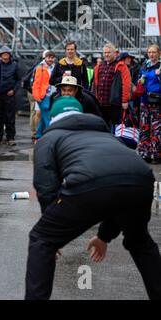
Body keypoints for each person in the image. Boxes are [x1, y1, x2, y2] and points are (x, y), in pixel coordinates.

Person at [27, 95, 161, 300]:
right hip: (141, 179)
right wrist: (104, 236)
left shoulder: (48, 138)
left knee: (40, 240)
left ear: (53, 118)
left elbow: (46, 187)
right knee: (140, 242)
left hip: (88, 183)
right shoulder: (108, 136)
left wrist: (52, 237)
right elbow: (117, 188)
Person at [91, 42, 131, 127]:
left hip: (115, 104)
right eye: (105, 52)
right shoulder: (98, 67)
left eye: (109, 52)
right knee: (102, 127)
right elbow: (94, 85)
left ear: (114, 53)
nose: (106, 54)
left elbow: (126, 84)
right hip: (101, 103)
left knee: (117, 128)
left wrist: (124, 100)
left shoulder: (121, 66)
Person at [134, 44, 161, 163]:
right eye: (149, 52)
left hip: (157, 102)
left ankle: (156, 154)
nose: (151, 54)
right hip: (144, 101)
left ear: (159, 53)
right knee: (144, 128)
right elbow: (140, 79)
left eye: (154, 52)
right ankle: (144, 153)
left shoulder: (160, 66)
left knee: (156, 129)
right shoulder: (145, 65)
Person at [0, 46, 21, 145]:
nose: (5, 55)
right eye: (3, 53)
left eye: (7, 53)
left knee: (10, 117)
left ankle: (10, 137)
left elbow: (18, 80)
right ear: (0, 55)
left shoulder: (14, 65)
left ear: (9, 55)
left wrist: (14, 90)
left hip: (9, 95)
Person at [32, 50, 56, 139]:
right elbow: (36, 83)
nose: (50, 59)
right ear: (45, 58)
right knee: (47, 116)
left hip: (51, 96)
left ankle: (38, 135)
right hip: (42, 96)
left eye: (52, 57)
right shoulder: (40, 68)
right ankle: (49, 136)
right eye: (48, 57)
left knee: (43, 117)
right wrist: (37, 97)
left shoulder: (55, 67)